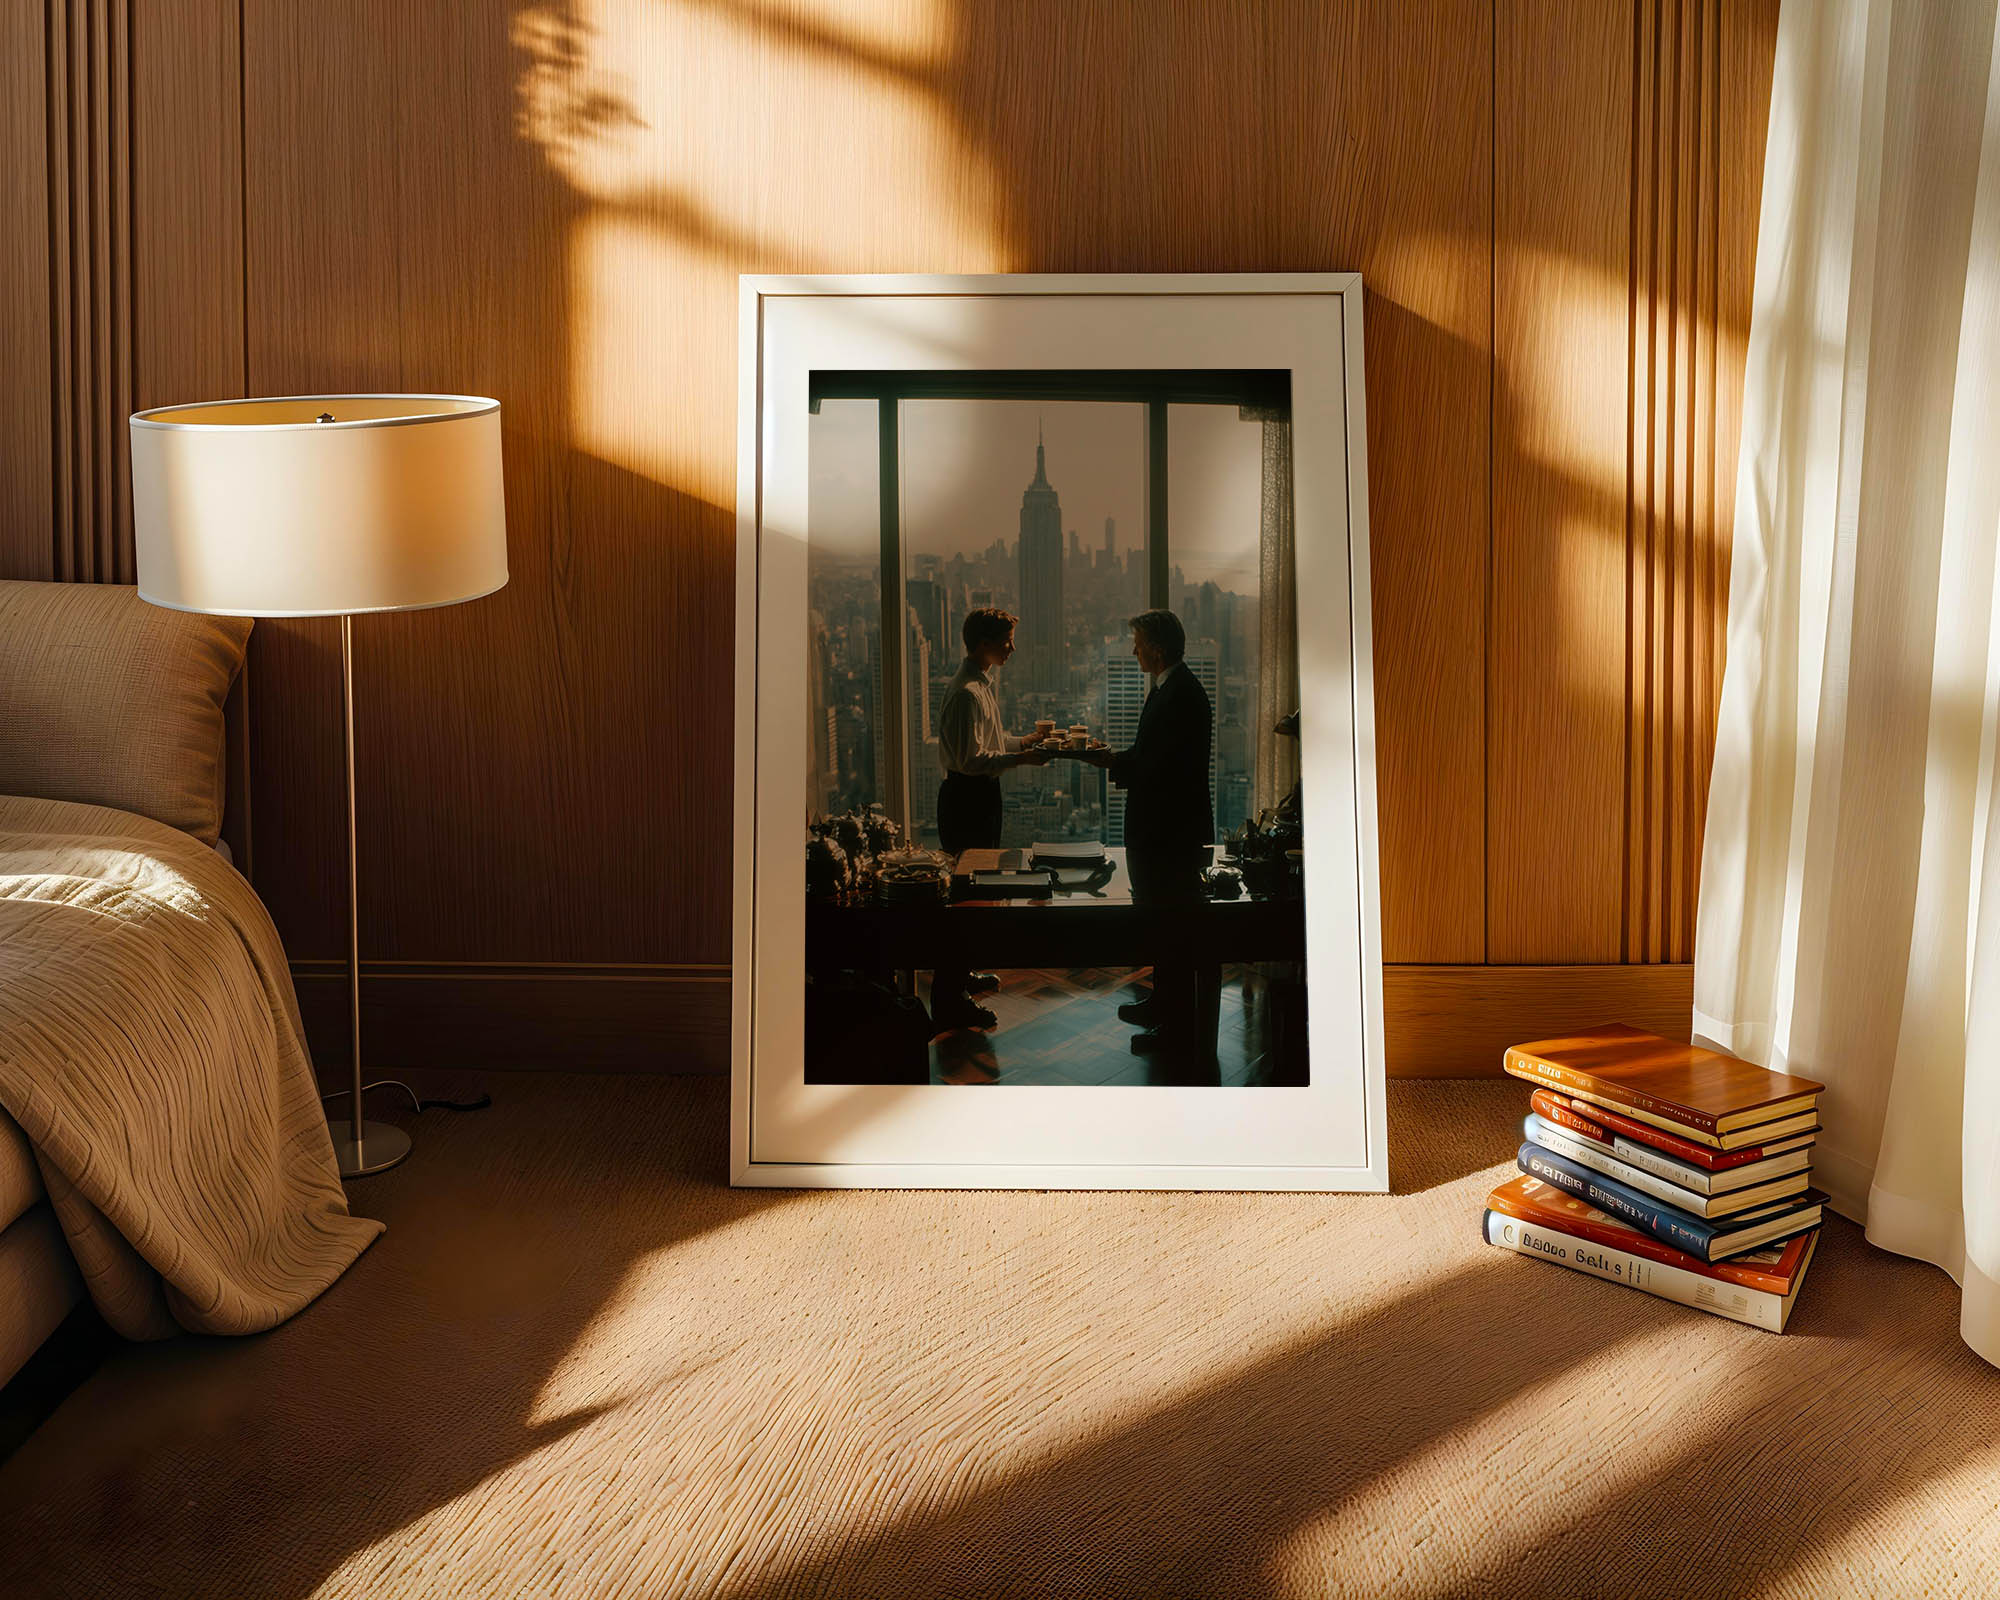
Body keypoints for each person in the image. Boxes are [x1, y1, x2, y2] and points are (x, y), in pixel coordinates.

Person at [1078, 609, 1218, 1066]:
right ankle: (1163, 1004)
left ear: (1156, 649)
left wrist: (1112, 762)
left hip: (1167, 834)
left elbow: (1161, 770)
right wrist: (1113, 758)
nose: (1133, 651)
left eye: (1138, 644)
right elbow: (1151, 756)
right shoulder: (1170, 688)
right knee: (1162, 924)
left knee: (1170, 927)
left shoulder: (1180, 695)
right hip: (1161, 830)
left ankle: (1175, 1027)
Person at [931, 606, 1053, 1030]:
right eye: (1006, 641)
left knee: (975, 892)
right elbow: (970, 760)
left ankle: (960, 976)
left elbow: (989, 743)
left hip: (978, 796)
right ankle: (949, 999)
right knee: (966, 897)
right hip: (968, 799)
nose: (1012, 648)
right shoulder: (967, 693)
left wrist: (1025, 742)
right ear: (983, 643)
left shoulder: (980, 685)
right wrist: (1022, 759)